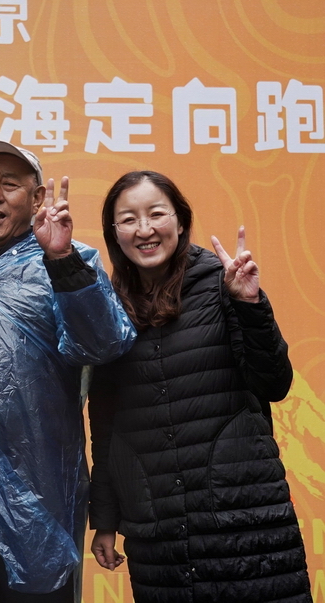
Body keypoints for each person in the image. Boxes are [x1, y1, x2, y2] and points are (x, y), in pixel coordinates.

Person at [0, 140, 135, 602]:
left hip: (38, 489)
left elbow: (103, 344)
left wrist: (61, 261)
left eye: (10, 185)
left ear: (37, 198)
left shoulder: (69, 259)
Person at [87, 171, 312, 603]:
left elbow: (275, 383)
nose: (144, 229)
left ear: (180, 220)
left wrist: (250, 305)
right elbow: (106, 428)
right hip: (160, 537)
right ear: (114, 233)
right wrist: (106, 520)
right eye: (129, 219)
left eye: (156, 214)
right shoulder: (108, 310)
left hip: (244, 522)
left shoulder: (224, 283)